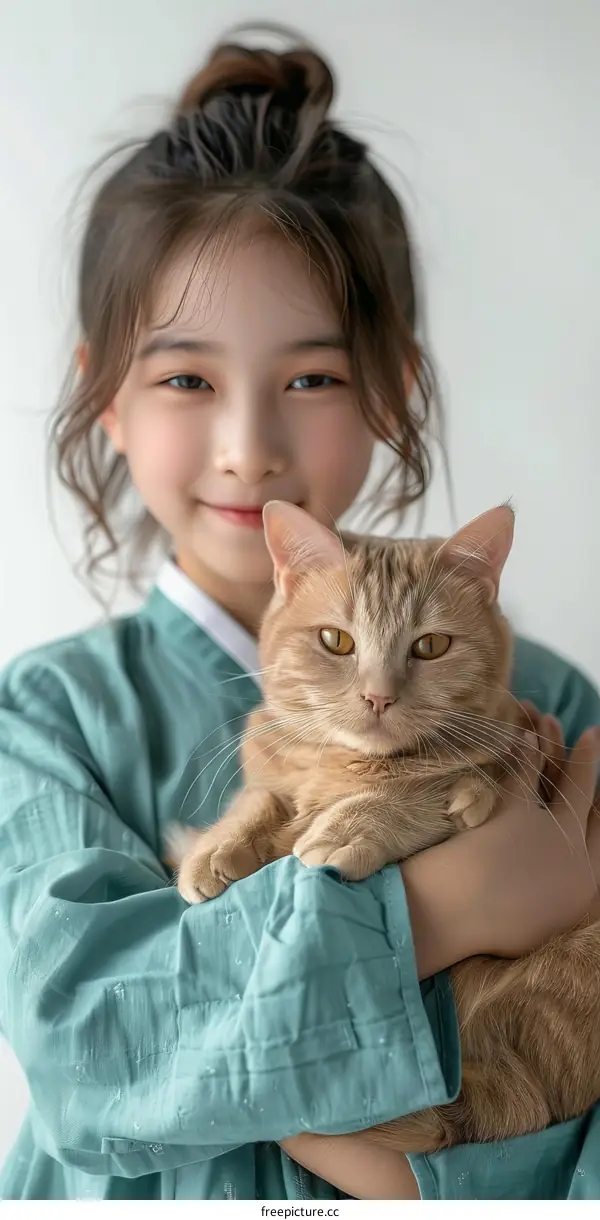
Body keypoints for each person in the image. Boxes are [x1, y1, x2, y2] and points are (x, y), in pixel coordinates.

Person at [0, 28, 599, 1203]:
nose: (248, 447)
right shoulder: (46, 716)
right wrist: (449, 905)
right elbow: (90, 1052)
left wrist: (419, 1179)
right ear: (104, 399)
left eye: (312, 377)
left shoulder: (553, 706)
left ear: (393, 389)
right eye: (186, 378)